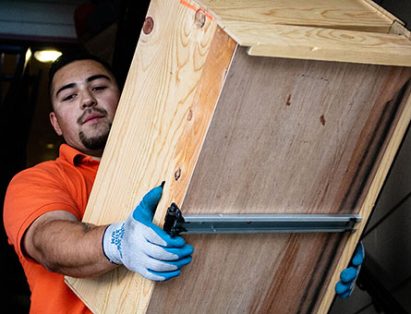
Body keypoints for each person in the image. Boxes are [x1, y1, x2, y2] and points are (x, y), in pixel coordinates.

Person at [2, 52, 363, 313]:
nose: (87, 100)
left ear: (125, 98)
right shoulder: (38, 180)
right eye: (70, 95)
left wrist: (317, 254)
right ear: (54, 122)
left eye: (98, 86)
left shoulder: (177, 166)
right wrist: (117, 243)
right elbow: (50, 242)